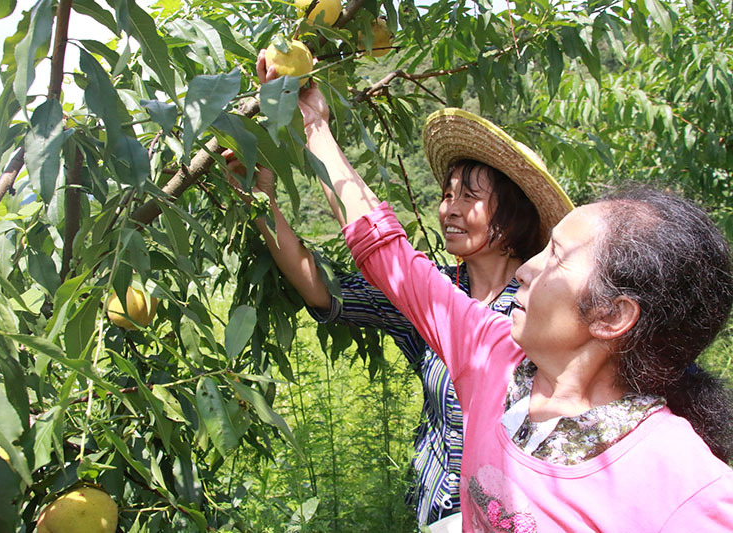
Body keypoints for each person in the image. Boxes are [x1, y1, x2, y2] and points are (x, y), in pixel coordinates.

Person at [287, 72, 733, 530]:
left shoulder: (684, 487)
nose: (527, 269)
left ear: (612, 313)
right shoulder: (493, 358)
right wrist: (315, 127)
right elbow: (387, 254)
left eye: (555, 257)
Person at [229, 52, 573, 528]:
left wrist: (316, 127)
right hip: (435, 516)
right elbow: (322, 290)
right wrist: (260, 196)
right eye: (447, 194)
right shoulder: (431, 297)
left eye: (469, 197)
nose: (450, 209)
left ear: (513, 215)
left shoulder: (544, 309)